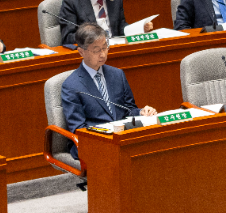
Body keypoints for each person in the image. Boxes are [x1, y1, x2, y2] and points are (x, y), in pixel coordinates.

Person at [61, 23, 157, 159]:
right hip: (95, 142)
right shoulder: (71, 85)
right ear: (81, 52)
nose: (103, 54)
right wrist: (109, 133)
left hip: (121, 137)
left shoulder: (117, 74)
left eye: (105, 47)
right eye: (96, 50)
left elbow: (128, 109)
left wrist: (141, 112)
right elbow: (79, 129)